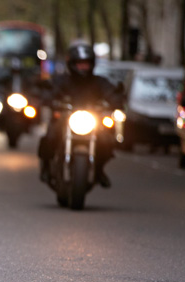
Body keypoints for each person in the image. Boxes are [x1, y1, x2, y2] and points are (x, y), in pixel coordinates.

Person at [38, 41, 123, 188]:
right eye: (80, 63)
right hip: (66, 118)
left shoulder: (99, 82)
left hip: (91, 120)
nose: (83, 67)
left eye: (86, 63)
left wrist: (116, 100)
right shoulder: (62, 80)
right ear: (72, 64)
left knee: (106, 141)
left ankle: (98, 169)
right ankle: (46, 166)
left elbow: (111, 93)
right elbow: (49, 91)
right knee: (50, 137)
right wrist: (48, 99)